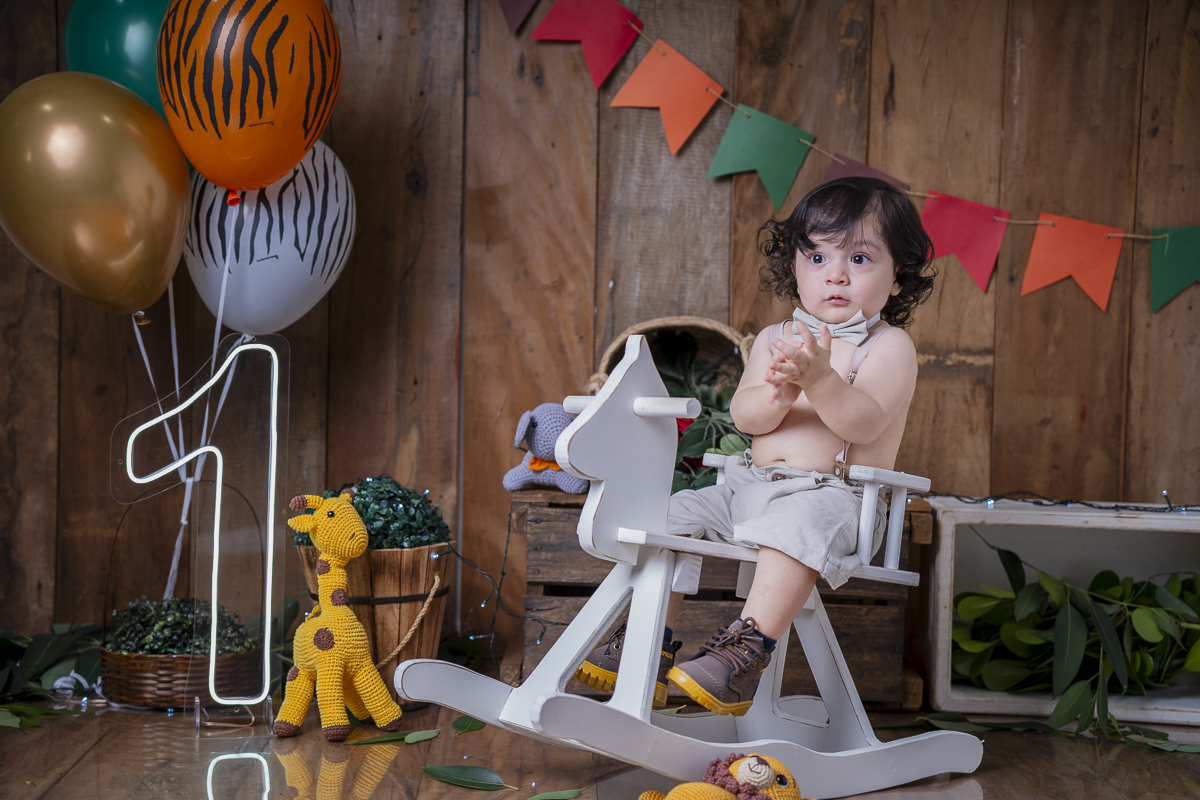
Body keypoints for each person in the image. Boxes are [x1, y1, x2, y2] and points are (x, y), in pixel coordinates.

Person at [575, 176, 936, 715]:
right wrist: (778, 393)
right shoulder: (774, 338)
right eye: (817, 256)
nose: (835, 274)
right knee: (670, 515)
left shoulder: (890, 347)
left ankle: (743, 651)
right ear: (794, 266)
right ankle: (646, 638)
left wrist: (820, 379)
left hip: (834, 499)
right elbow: (746, 417)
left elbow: (864, 424)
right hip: (748, 487)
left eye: (859, 259)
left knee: (794, 529)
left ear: (899, 276)